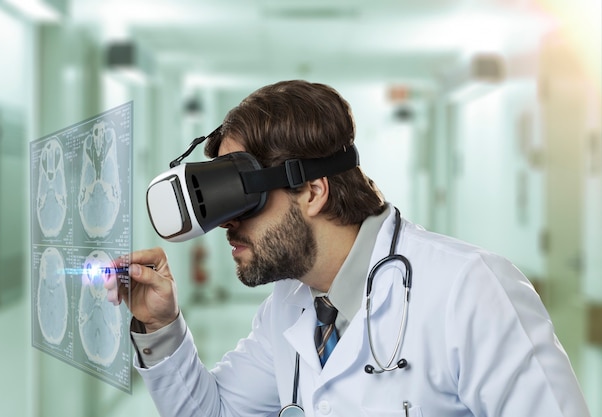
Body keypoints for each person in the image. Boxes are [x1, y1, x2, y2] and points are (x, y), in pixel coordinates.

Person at [105, 80, 590, 417]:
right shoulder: (291, 308)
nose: (226, 225)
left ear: (313, 191)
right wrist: (160, 325)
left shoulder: (471, 290)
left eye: (243, 200)